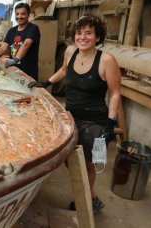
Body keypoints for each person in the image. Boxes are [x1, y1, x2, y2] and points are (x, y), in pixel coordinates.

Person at [28, 13, 121, 214]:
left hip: (94, 120)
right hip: (70, 116)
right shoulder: (70, 51)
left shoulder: (106, 60)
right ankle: (92, 197)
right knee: (70, 161)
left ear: (98, 37)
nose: (82, 37)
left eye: (89, 33)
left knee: (87, 164)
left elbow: (115, 94)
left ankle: (86, 199)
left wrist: (111, 122)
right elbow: (63, 70)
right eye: (79, 33)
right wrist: (47, 82)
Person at [0, 2, 40, 80]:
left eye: (23, 14)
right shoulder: (12, 31)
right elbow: (3, 47)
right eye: (17, 14)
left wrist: (16, 59)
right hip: (14, 71)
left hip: (28, 73)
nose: (19, 17)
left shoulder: (33, 28)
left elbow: (26, 44)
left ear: (28, 15)